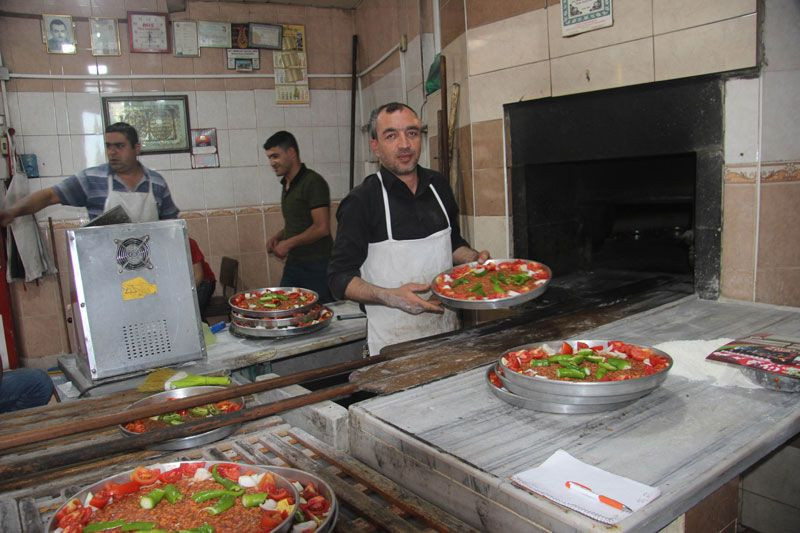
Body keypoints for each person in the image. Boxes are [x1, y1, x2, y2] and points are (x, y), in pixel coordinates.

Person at [327, 102, 489, 355]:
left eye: (412, 133)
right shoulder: (361, 201)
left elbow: (453, 243)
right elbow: (338, 279)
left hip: (447, 334)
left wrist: (473, 259)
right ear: (375, 147)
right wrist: (390, 296)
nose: (405, 144)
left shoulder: (439, 185)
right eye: (391, 135)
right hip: (393, 345)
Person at [0, 122, 179, 226]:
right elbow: (48, 196)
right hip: (106, 270)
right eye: (108, 146)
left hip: (150, 267)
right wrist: (12, 212)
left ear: (137, 148)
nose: (112, 152)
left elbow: (172, 226)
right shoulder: (91, 179)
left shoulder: (157, 183)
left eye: (119, 146)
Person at [264, 131, 333, 302]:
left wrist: (287, 243)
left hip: (317, 266)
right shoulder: (287, 184)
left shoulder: (313, 182)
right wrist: (279, 236)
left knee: (318, 317)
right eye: (269, 158)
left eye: (275, 156)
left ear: (292, 153)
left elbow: (321, 227)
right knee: (283, 309)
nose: (272, 162)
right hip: (295, 263)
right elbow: (299, 221)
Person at [189, 237, 216, 318]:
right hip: (192, 282)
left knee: (193, 315)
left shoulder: (188, 242)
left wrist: (186, 295)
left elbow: (199, 275)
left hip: (205, 282)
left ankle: (203, 328)